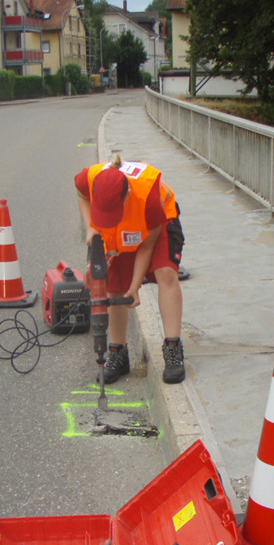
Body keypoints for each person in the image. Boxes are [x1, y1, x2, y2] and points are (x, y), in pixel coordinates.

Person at [75, 155, 186, 384]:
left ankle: (173, 350)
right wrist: (89, 228)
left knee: (166, 273)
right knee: (114, 283)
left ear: (126, 196)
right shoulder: (89, 178)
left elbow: (146, 247)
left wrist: (135, 287)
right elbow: (81, 194)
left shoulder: (148, 195)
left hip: (159, 220)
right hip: (120, 228)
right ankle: (118, 353)